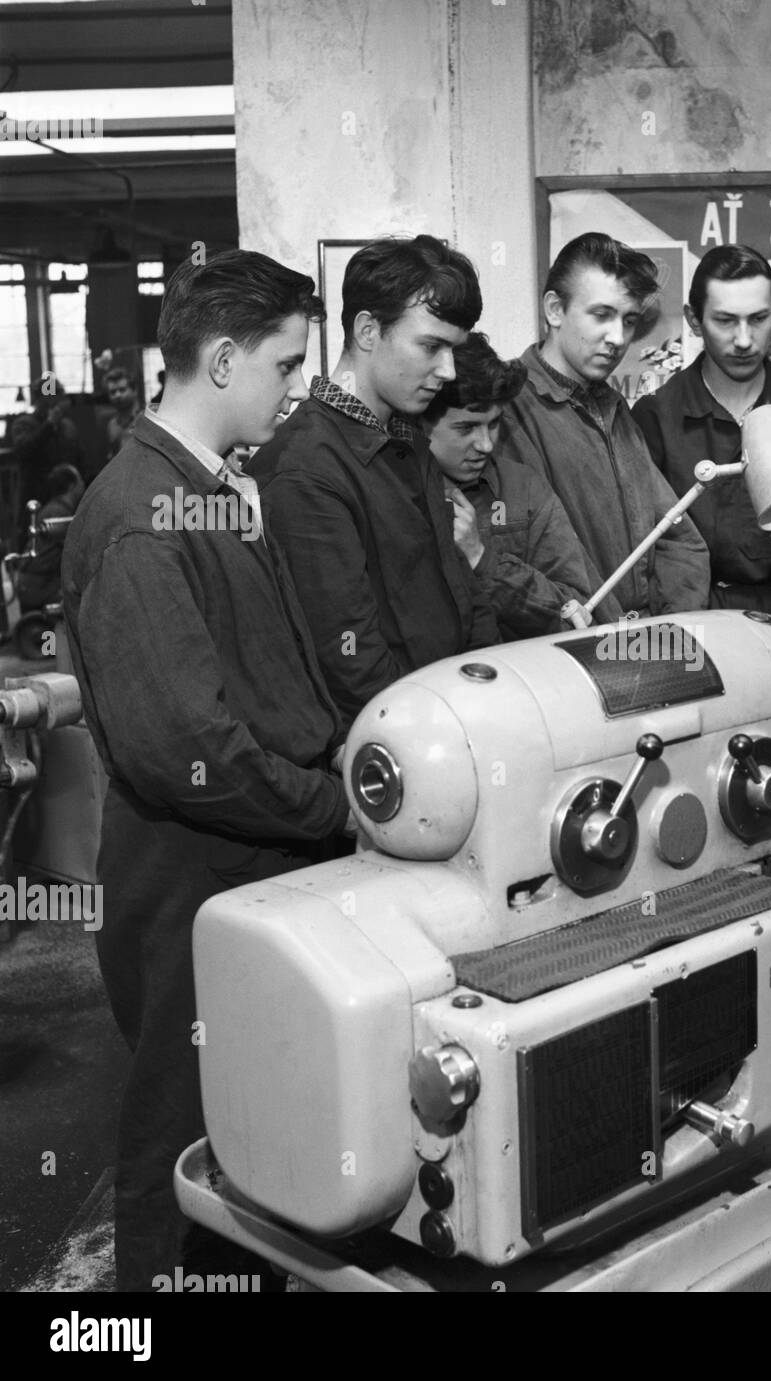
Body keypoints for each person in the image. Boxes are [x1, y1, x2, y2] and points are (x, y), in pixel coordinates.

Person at [61, 249, 351, 1292]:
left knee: (251, 1131)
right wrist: (336, 808)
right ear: (223, 360)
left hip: (251, 866)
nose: (294, 388)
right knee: (178, 1148)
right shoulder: (142, 516)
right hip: (190, 879)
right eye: (284, 365)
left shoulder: (212, 487)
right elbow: (194, 752)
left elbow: (260, 679)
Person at [249, 235, 497, 727]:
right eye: (431, 346)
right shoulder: (305, 470)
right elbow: (349, 660)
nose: (447, 370)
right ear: (367, 330)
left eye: (454, 350)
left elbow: (460, 591)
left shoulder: (406, 437)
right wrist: (443, 728)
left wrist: (485, 692)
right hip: (400, 744)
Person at [496, 232, 710, 617]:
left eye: (629, 320)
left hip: (643, 644)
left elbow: (677, 537)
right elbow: (540, 561)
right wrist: (616, 636)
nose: (618, 338)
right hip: (576, 650)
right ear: (555, 310)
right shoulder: (509, 409)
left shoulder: (612, 407)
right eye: (601, 315)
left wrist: (670, 632)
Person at [632, 245, 771, 619]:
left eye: (759, 318)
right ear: (694, 320)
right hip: (685, 622)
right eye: (726, 320)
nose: (745, 339)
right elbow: (643, 544)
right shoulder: (656, 418)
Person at [421, 331, 618, 638]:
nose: (486, 444)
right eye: (467, 428)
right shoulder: (393, 491)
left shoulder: (523, 490)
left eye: (495, 423)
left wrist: (482, 561)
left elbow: (574, 612)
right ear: (421, 423)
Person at [15, 462, 83, 613]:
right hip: (39, 586)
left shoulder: (54, 508)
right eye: (80, 482)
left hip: (33, 583)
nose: (83, 486)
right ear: (72, 486)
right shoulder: (59, 513)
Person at [103, 366, 144, 458]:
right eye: (113, 392)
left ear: (134, 390)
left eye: (122, 390)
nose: (117, 395)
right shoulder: (112, 425)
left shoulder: (146, 420)